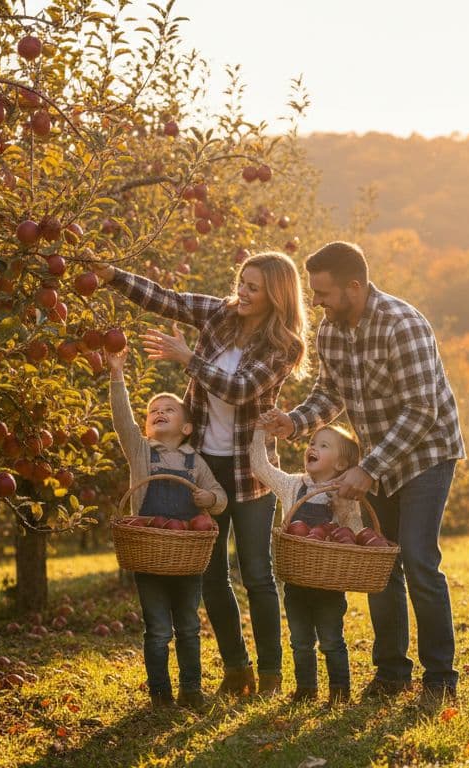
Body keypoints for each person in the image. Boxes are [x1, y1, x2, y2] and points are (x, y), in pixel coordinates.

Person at [93, 251, 309, 697]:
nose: (242, 292)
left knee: (257, 574)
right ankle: (236, 668)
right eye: (241, 282)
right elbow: (166, 299)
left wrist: (187, 357)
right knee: (210, 574)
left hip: (250, 471)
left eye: (254, 286)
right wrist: (113, 274)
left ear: (277, 294)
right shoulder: (220, 313)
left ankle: (270, 672)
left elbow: (242, 387)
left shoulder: (284, 345)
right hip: (202, 467)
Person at [260, 241, 465, 702]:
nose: (316, 303)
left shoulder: (402, 325)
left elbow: (421, 410)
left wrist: (369, 468)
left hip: (426, 454)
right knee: (380, 564)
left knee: (417, 559)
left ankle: (440, 679)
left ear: (355, 287)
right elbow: (330, 393)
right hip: (379, 459)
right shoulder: (331, 332)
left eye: (324, 293)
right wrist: (295, 422)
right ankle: (392, 673)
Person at [107, 348, 227, 709]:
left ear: (186, 427)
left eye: (168, 409)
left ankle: (192, 689)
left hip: (187, 557)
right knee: (157, 629)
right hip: (150, 553)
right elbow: (121, 421)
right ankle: (160, 693)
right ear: (146, 426)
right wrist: (117, 375)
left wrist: (209, 499)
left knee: (189, 626)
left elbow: (220, 498)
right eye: (152, 411)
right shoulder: (142, 452)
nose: (158, 412)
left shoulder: (196, 462)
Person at [248, 423, 363, 706]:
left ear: (341, 463)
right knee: (300, 641)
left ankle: (339, 691)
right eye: (313, 442)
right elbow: (260, 468)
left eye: (324, 445)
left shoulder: (343, 493)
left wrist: (344, 507)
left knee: (332, 640)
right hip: (296, 580)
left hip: (328, 582)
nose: (313, 447)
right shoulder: (293, 485)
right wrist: (261, 431)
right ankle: (306, 689)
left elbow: (354, 533)